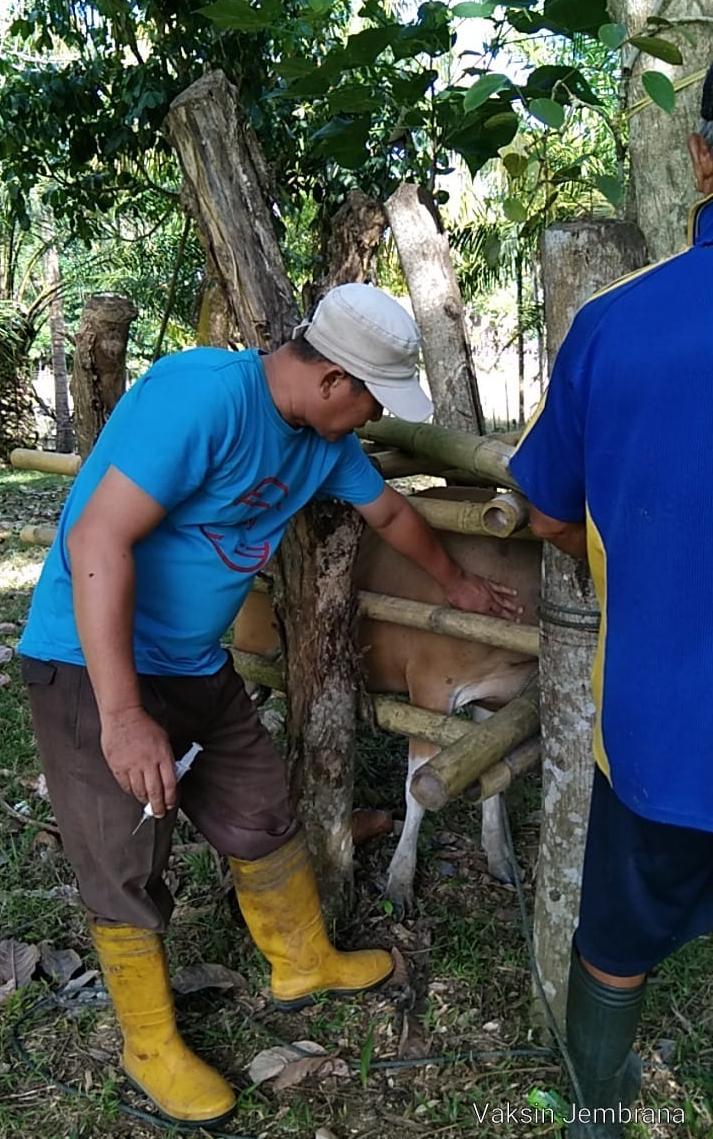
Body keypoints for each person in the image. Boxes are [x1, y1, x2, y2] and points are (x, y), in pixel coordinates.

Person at [19, 283, 519, 1128]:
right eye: (367, 401)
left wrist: (458, 581)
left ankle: (301, 959)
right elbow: (96, 536)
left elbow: (391, 511)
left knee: (258, 804)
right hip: (90, 660)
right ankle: (147, 1045)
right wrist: (123, 713)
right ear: (333, 383)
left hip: (191, 660)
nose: (368, 420)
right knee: (124, 851)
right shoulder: (204, 395)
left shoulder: (320, 443)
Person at [509, 69, 713, 1139]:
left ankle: (593, 1109)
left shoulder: (613, 324)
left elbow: (544, 508)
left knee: (616, 931)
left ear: (698, 156)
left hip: (661, 726)